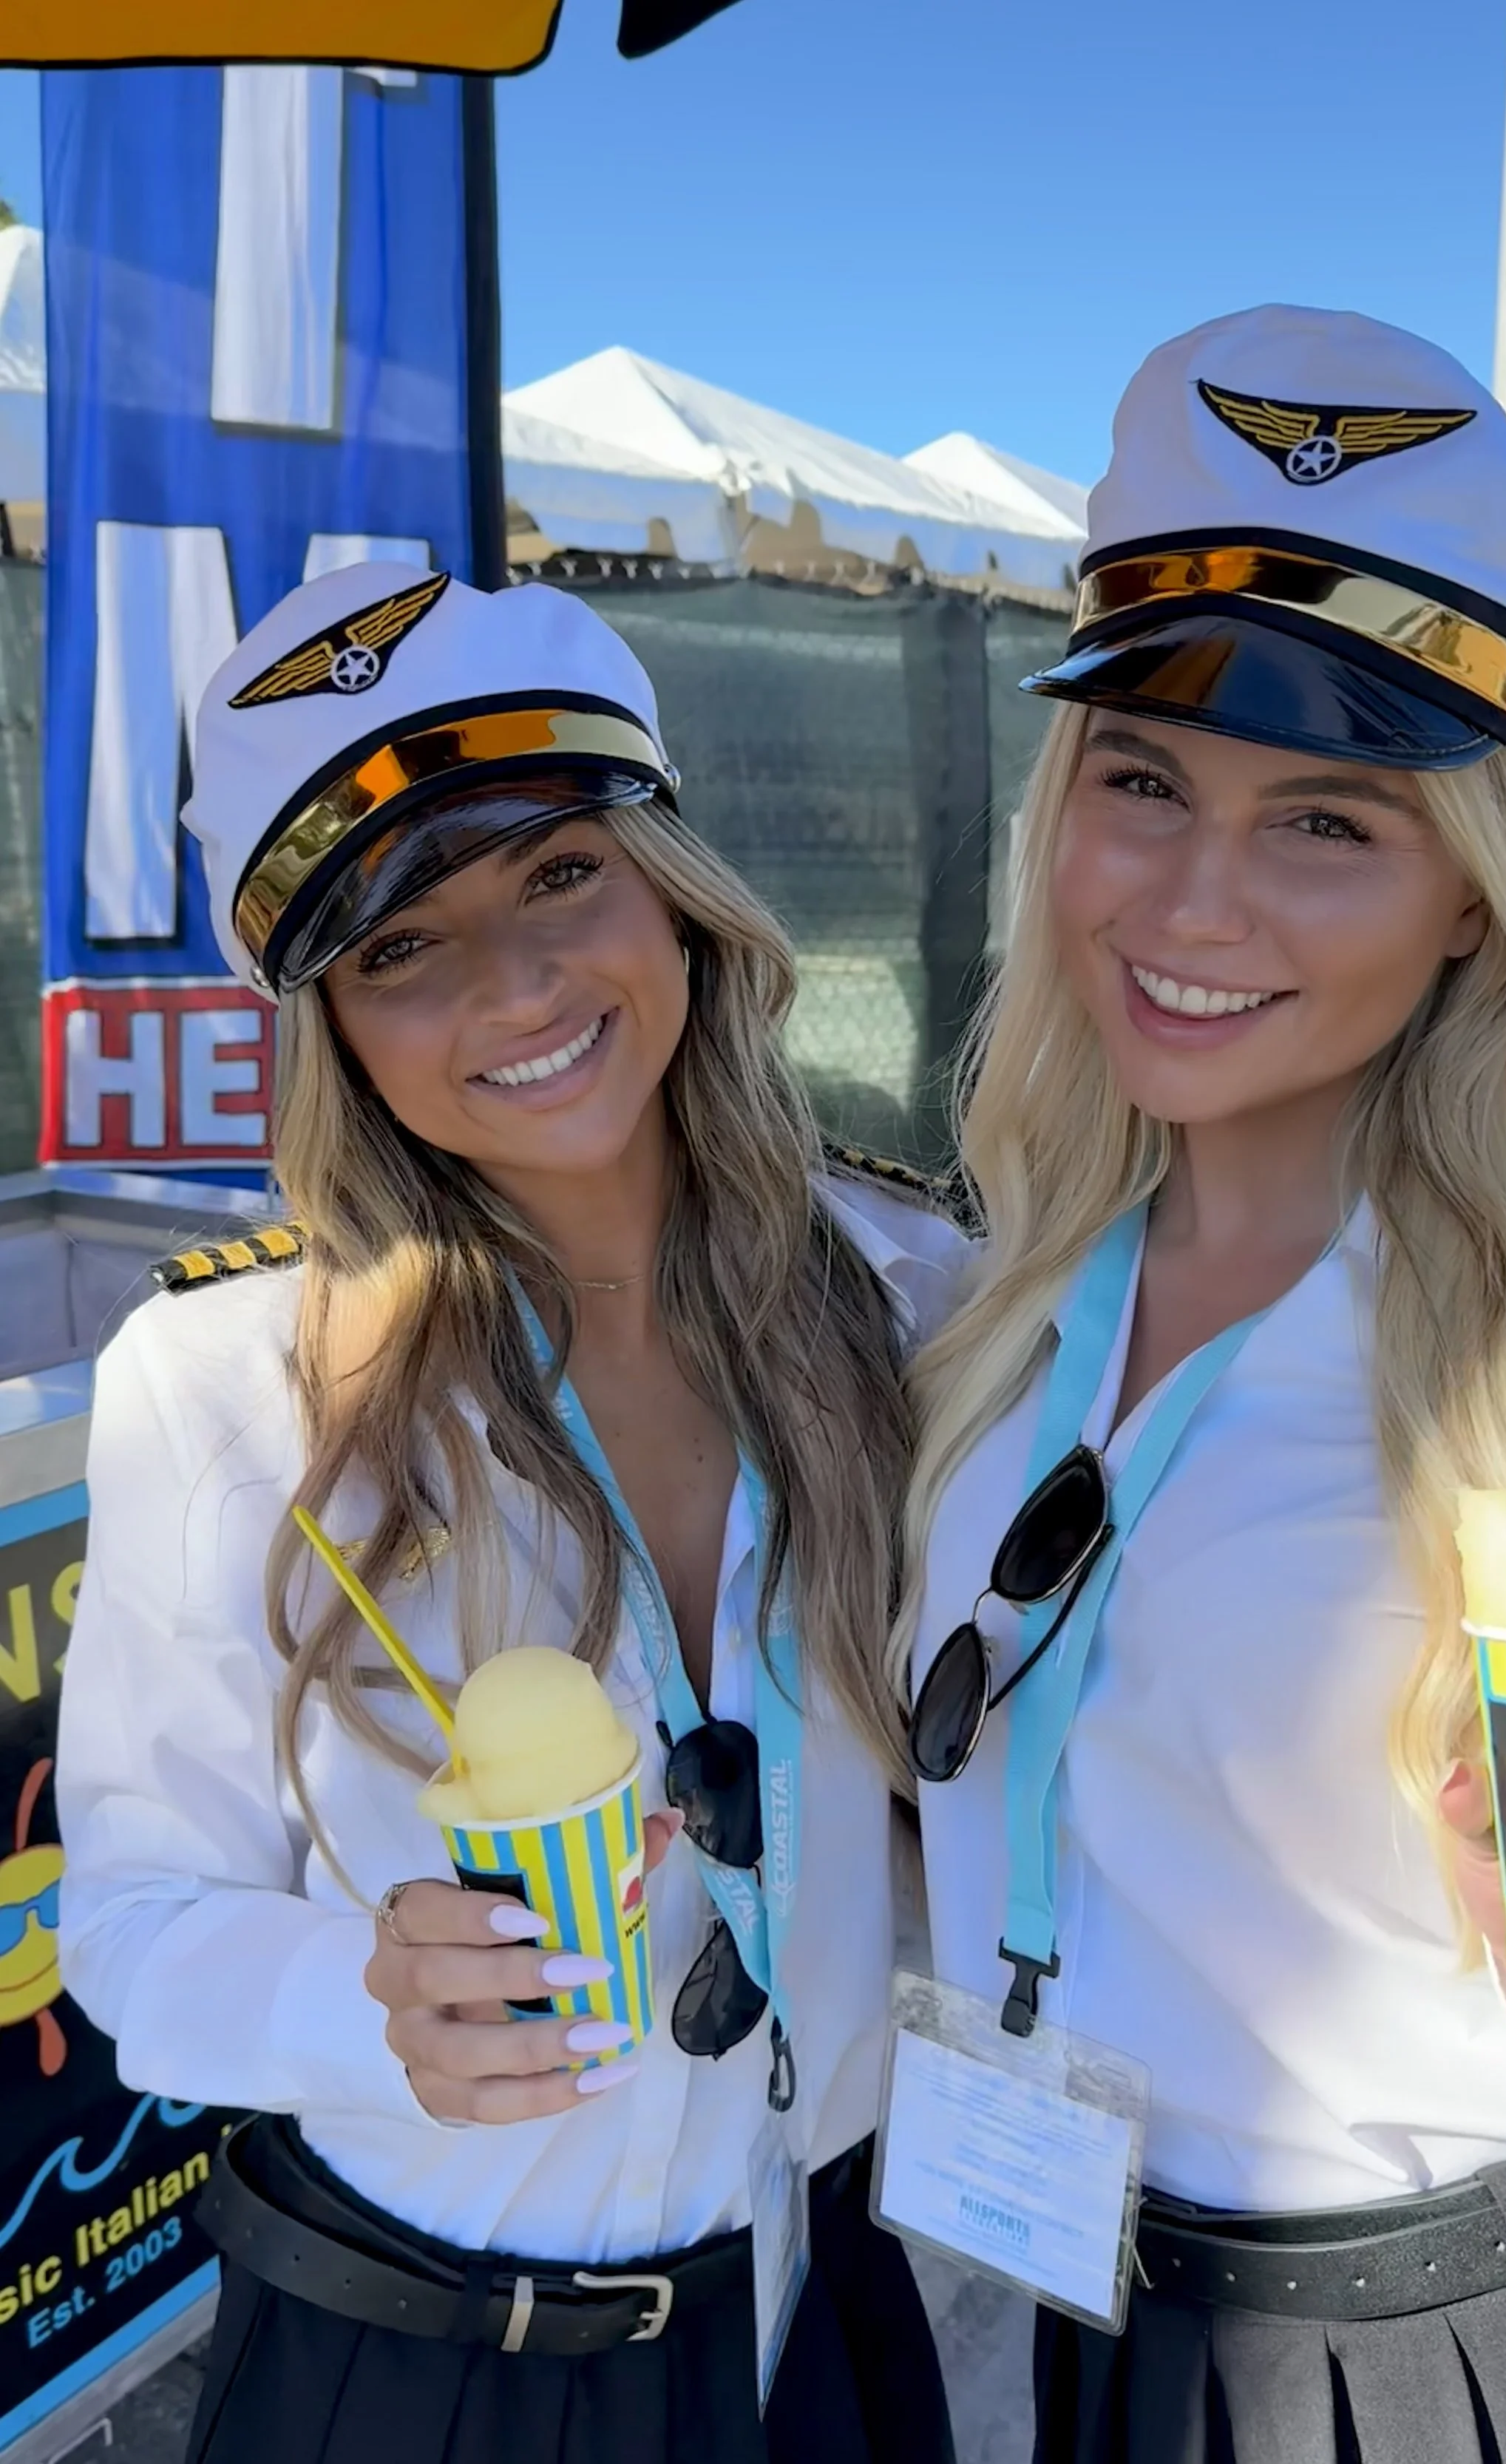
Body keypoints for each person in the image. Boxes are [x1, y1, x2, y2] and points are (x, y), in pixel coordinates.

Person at [895, 308, 1506, 2464]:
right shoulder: (1004, 1306)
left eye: (1324, 823)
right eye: (1138, 782)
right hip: (1084, 2311)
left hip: (1484, 2353)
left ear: (1470, 911)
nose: (1191, 897)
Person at [55, 565, 962, 2464]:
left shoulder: (912, 1289)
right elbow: (133, 1927)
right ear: (332, 1027)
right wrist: (359, 1995)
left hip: (820, 2315)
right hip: (420, 2369)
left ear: (672, 887)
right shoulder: (228, 1383)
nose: (515, 988)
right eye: (399, 948)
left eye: (559, 875)